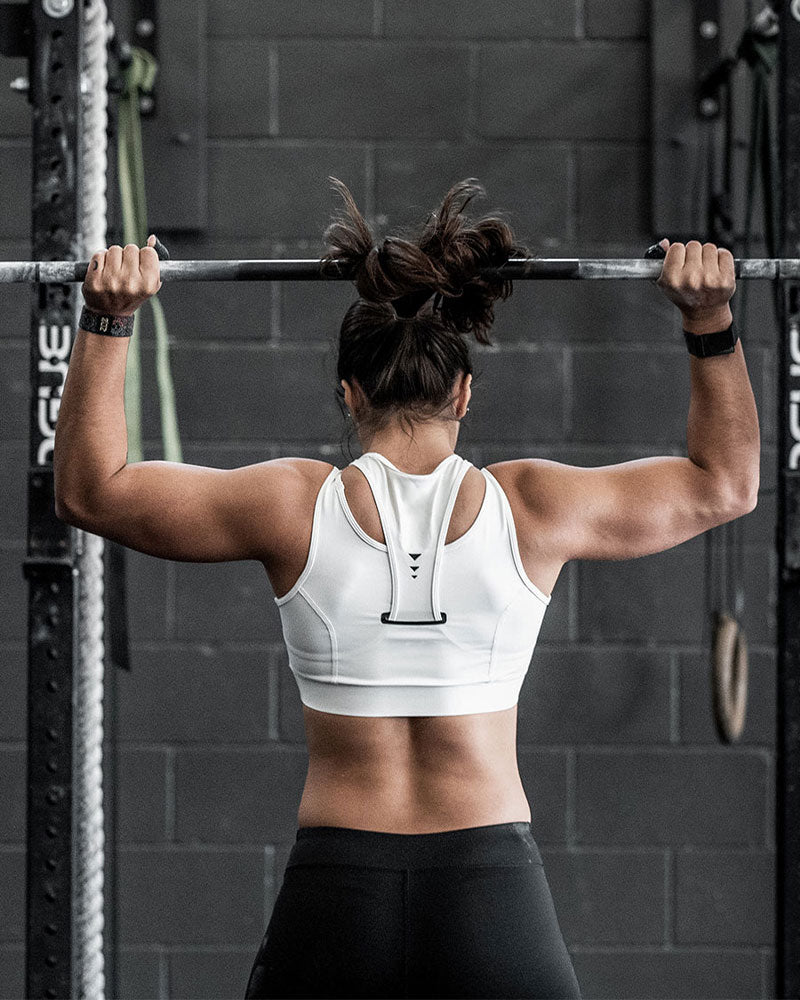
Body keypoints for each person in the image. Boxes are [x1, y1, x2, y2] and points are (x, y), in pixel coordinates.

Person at [53, 178, 760, 1000]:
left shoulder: (293, 506)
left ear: (348, 392)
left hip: (337, 891)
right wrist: (709, 321)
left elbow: (90, 491)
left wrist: (110, 319)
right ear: (464, 391)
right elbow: (725, 483)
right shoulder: (534, 507)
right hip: (491, 886)